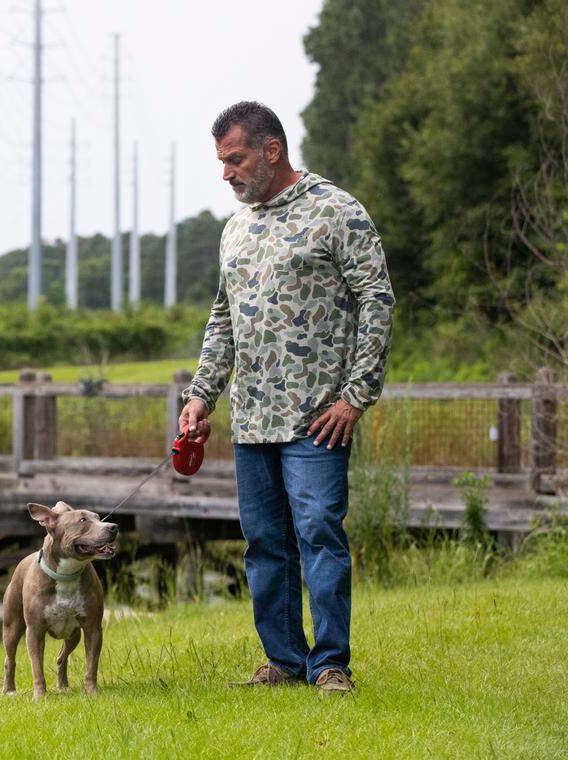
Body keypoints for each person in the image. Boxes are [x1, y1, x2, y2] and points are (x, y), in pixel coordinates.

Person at [179, 101, 395, 694]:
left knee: (320, 535)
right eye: (221, 162)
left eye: (235, 159)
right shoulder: (235, 229)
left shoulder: (336, 210)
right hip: (251, 420)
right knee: (265, 546)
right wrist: (202, 396)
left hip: (318, 418)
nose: (226, 173)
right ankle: (284, 661)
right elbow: (223, 319)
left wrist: (356, 396)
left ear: (272, 151)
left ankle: (330, 666)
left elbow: (377, 300)